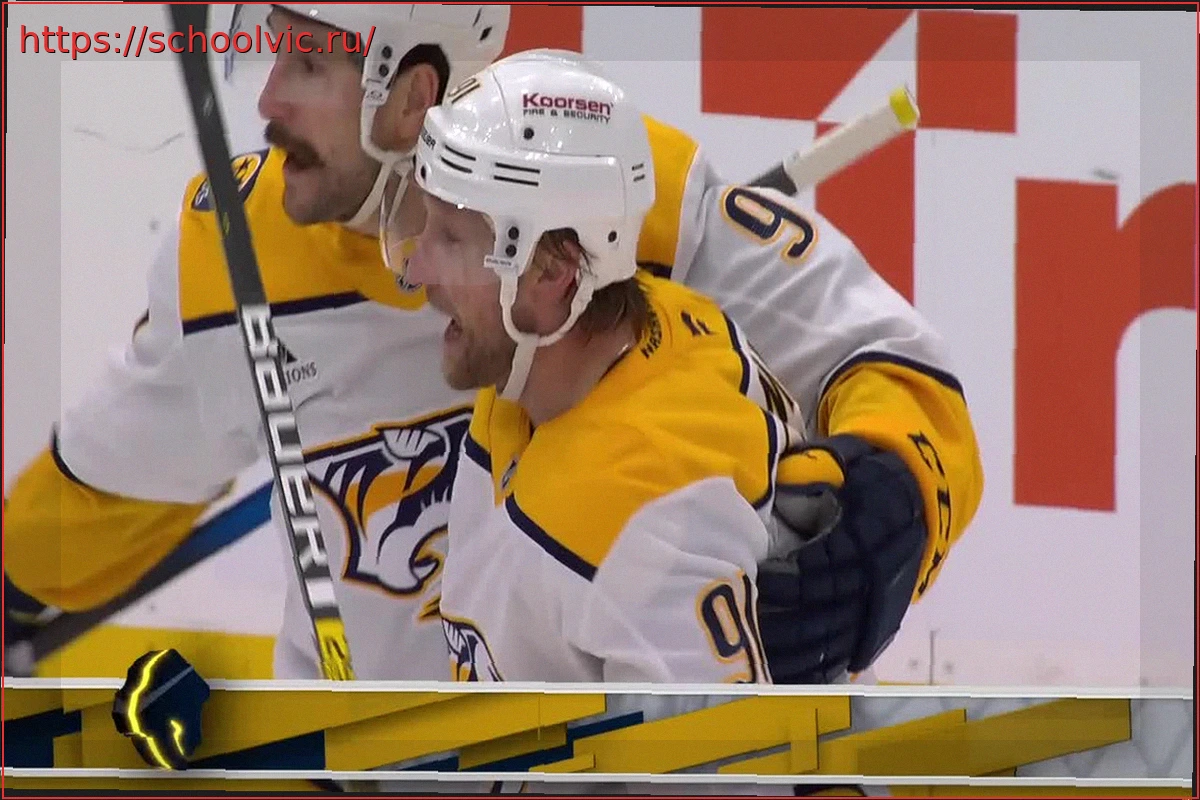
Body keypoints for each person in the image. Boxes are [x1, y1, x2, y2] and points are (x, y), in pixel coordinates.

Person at [4, 3, 984, 690]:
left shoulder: (603, 183)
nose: (267, 101)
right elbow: (110, 489)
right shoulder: (237, 257)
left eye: (309, 63)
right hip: (358, 762)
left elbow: (888, 360)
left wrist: (888, 509)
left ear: (409, 90)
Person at [410, 51, 786, 685]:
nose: (417, 269)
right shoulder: (543, 357)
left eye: (451, 239)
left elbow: (715, 751)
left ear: (555, 269)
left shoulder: (644, 517)